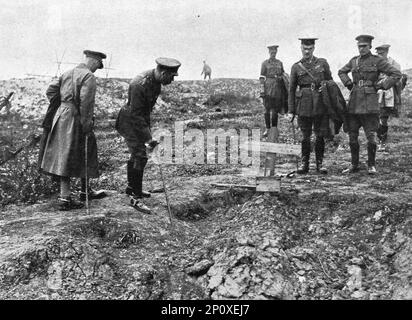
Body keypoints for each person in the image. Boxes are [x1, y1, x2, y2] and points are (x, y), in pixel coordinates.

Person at [40, 50, 108, 210]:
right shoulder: (88, 76)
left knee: (65, 153)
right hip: (75, 118)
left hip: (61, 116)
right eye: (98, 66)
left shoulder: (67, 73)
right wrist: (86, 124)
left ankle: (79, 192)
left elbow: (50, 90)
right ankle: (68, 198)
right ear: (94, 62)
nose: (96, 70)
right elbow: (86, 103)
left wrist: (63, 105)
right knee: (83, 150)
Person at [115, 57, 181, 214]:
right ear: (163, 73)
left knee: (137, 155)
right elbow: (136, 115)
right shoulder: (139, 84)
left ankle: (132, 187)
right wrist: (148, 138)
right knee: (140, 156)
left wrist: (147, 134)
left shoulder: (156, 83)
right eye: (171, 77)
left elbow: (146, 112)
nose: (172, 81)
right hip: (129, 121)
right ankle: (135, 198)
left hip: (138, 120)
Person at [338, 35, 402, 174]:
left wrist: (382, 85)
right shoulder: (354, 61)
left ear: (370, 46)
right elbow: (341, 71)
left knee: (371, 135)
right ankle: (354, 165)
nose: (362, 49)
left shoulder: (377, 61)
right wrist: (349, 84)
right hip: (354, 103)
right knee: (352, 135)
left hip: (370, 103)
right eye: (359, 46)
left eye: (364, 46)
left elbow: (396, 74)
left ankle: (371, 165)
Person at [288, 38, 333, 174]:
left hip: (320, 103)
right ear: (301, 48)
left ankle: (320, 163)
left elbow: (330, 81)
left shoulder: (322, 63)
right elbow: (291, 90)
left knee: (320, 135)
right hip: (304, 105)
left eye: (309, 49)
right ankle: (304, 164)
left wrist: (324, 87)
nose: (307, 51)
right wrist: (291, 110)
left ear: (314, 48)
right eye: (304, 48)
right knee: (305, 136)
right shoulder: (296, 67)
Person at [375, 44, 402, 151]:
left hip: (389, 95)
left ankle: (382, 142)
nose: (379, 56)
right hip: (377, 93)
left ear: (386, 53)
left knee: (384, 119)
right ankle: (379, 139)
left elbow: (397, 80)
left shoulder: (394, 64)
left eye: (381, 54)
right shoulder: (376, 64)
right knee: (376, 118)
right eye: (378, 54)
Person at [259, 45, 288, 138]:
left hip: (278, 89)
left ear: (276, 52)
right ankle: (267, 128)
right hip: (267, 88)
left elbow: (283, 74)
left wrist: (282, 77)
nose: (273, 53)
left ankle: (274, 130)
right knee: (267, 110)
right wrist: (262, 90)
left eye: (275, 52)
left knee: (275, 110)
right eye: (272, 52)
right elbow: (262, 77)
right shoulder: (265, 63)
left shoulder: (280, 63)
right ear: (269, 52)